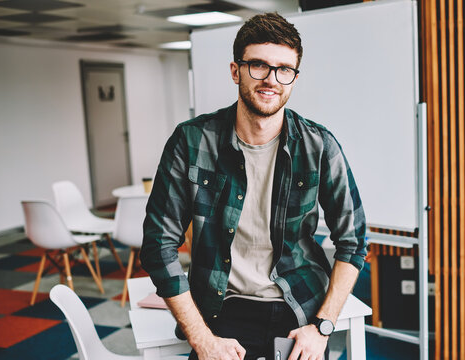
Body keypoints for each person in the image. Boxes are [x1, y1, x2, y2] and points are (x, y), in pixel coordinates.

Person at [140, 12, 367, 360]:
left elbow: (353, 242)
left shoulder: (319, 145)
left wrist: (322, 325)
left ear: (293, 77)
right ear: (236, 71)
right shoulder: (191, 141)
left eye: (284, 69)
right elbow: (159, 245)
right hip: (219, 307)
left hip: (298, 305)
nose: (271, 79)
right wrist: (201, 338)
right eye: (258, 65)